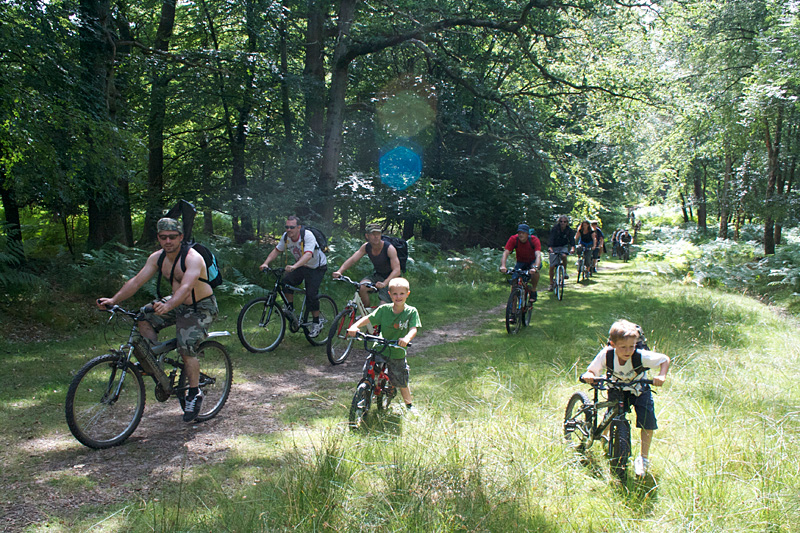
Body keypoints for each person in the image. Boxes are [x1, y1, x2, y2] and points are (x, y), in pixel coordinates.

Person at [96, 218, 218, 423]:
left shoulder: (192, 258)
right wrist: (113, 300)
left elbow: (187, 287)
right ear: (158, 238)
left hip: (200, 306)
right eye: (163, 237)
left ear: (181, 237)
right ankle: (154, 364)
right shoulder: (157, 258)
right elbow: (136, 281)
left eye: (172, 237)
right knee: (142, 317)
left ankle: (194, 393)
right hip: (175, 302)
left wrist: (168, 306)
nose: (167, 241)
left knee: (186, 345)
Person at [580, 319, 670, 477]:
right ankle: (604, 436)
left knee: (647, 421)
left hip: (638, 389)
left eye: (632, 346)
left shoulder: (640, 356)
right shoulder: (606, 355)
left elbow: (664, 359)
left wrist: (661, 375)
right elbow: (592, 370)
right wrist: (590, 375)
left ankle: (643, 458)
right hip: (617, 388)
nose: (628, 351)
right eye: (623, 347)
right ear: (613, 344)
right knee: (612, 414)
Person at [347, 277, 421, 413]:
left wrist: (406, 338)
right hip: (380, 347)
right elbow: (369, 318)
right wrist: (355, 326)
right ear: (389, 294)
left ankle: (409, 405)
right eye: (395, 294)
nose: (398, 297)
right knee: (369, 369)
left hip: (397, 350)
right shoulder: (384, 309)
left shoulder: (411, 312)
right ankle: (366, 388)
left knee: (401, 379)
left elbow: (413, 329)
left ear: (407, 294)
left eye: (401, 294)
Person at [260, 216, 328, 338]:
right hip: (301, 265)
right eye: (287, 227)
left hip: (316, 267)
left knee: (311, 294)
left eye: (292, 227)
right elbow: (276, 250)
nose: (289, 229)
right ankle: (290, 309)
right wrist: (266, 263)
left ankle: (317, 322)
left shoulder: (307, 235)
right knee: (286, 282)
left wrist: (294, 266)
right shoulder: (286, 237)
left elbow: (308, 255)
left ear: (298, 227)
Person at [332, 223, 402, 307]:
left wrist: (384, 283)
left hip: (391, 279)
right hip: (378, 275)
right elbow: (353, 259)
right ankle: (365, 314)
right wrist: (339, 271)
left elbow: (397, 270)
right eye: (373, 234)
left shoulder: (389, 248)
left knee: (383, 308)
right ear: (367, 236)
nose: (376, 236)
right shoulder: (366, 247)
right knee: (362, 287)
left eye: (378, 234)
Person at [500, 223, 542, 300]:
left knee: (535, 272)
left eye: (523, 233)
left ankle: (533, 290)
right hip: (521, 262)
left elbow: (538, 255)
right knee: (515, 281)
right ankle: (513, 308)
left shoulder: (534, 240)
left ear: (527, 234)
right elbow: (506, 252)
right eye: (519, 233)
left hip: (533, 261)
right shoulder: (513, 239)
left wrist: (535, 267)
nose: (521, 235)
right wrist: (503, 265)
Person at [547, 216, 576, 291]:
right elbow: (551, 238)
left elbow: (572, 240)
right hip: (554, 247)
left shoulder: (569, 230)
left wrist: (572, 248)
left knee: (564, 256)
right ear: (559, 222)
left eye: (564, 222)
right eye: (561, 222)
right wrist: (550, 247)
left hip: (563, 246)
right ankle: (551, 283)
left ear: (567, 223)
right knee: (552, 266)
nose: (563, 223)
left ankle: (564, 271)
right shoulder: (555, 229)